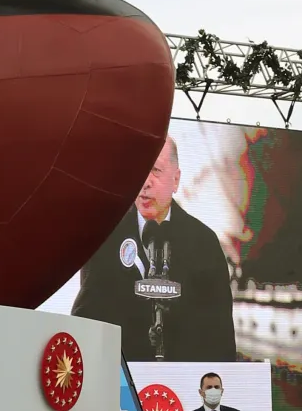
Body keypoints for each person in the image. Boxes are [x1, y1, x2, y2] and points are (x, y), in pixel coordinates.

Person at [73, 135, 236, 361]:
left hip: (184, 386)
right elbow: (86, 319)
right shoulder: (106, 237)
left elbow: (220, 336)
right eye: (139, 170)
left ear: (176, 180)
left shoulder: (204, 243)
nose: (145, 181)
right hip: (120, 385)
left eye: (156, 171)